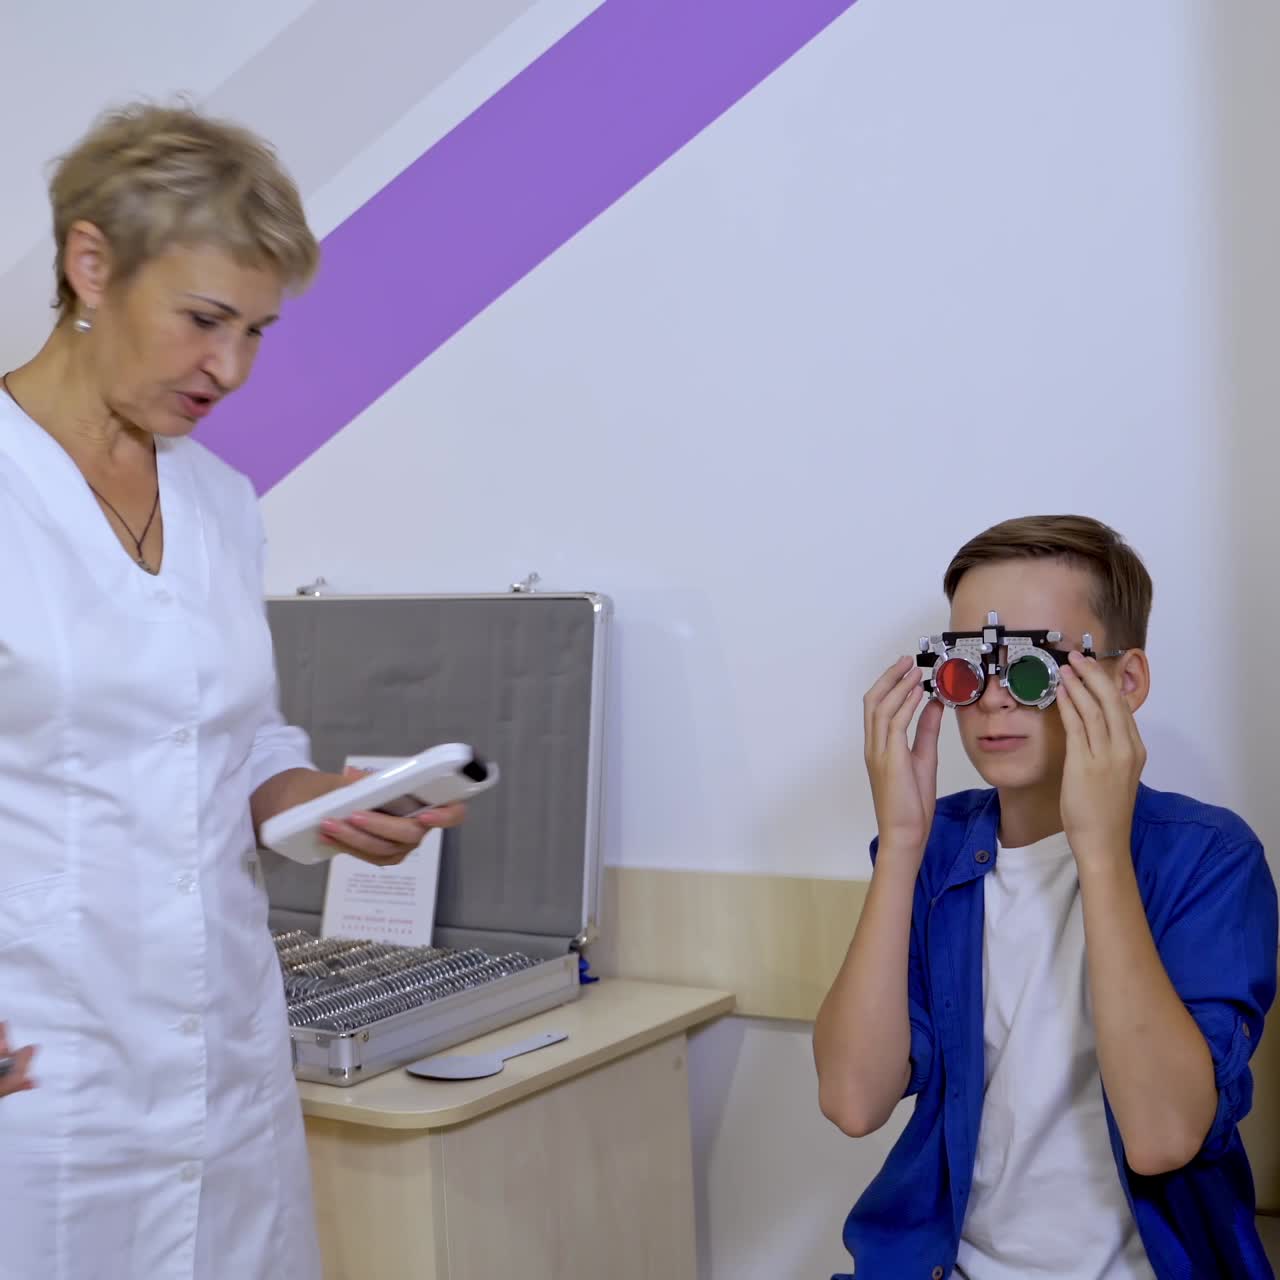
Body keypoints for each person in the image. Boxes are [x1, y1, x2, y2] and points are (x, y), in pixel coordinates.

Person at [0, 102, 466, 1279]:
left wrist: (316, 799)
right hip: (38, 1067)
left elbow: (234, 739)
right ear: (90, 263)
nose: (231, 369)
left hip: (220, 1059)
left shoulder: (218, 503)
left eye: (257, 331)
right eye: (205, 321)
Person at [813, 515, 1279, 1280]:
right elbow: (853, 1101)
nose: (994, 701)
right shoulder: (935, 853)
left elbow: (1163, 1135)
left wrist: (1098, 850)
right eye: (966, 670)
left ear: (1123, 681)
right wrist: (899, 842)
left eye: (1032, 666)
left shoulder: (1210, 859)